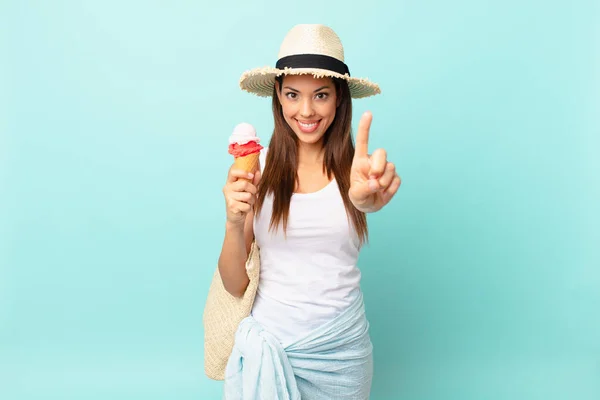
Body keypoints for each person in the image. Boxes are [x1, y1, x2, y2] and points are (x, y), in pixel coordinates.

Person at [218, 24, 401, 399]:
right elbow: (235, 284)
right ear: (278, 98)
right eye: (292, 94)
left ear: (339, 101)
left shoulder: (358, 170)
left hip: (341, 354)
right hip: (273, 348)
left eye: (320, 95)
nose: (305, 110)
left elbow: (364, 195)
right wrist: (234, 223)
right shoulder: (258, 169)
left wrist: (365, 200)